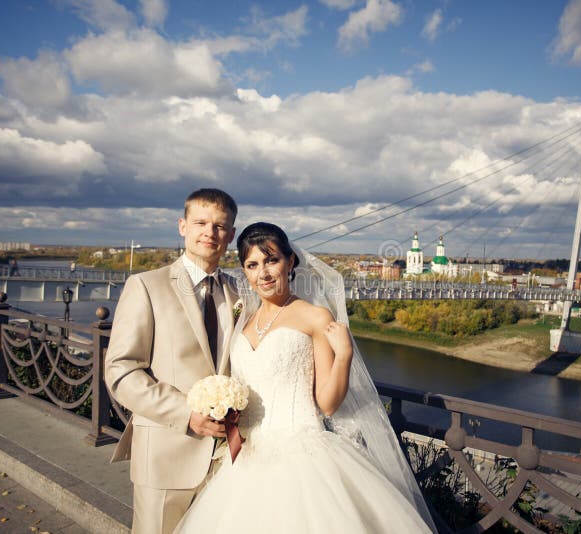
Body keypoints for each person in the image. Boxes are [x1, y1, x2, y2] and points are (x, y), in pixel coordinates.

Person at [175, 222, 435, 533]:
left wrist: (345, 356)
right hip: (247, 457)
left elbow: (328, 404)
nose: (264, 274)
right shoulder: (243, 318)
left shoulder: (314, 316)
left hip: (303, 456)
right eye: (252, 265)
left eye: (272, 260)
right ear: (244, 270)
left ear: (291, 261)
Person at [105, 188, 240, 534]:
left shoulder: (239, 293)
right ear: (182, 226)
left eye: (220, 226)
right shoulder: (146, 286)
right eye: (200, 223)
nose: (210, 233)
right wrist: (186, 414)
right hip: (166, 453)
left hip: (227, 461)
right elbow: (121, 370)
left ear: (232, 235)